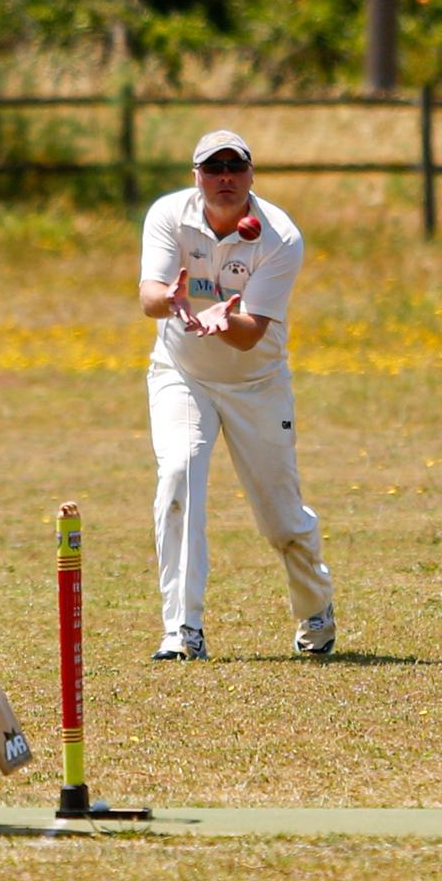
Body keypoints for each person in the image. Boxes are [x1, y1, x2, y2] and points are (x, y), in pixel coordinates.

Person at [137, 128, 336, 662]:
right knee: (179, 474)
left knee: (281, 516)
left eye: (235, 167)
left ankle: (315, 609)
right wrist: (171, 301)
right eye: (213, 167)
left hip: (257, 382)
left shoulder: (279, 236)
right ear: (195, 175)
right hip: (183, 373)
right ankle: (182, 630)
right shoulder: (168, 216)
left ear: (250, 174)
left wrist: (222, 319)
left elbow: (250, 336)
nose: (224, 177)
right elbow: (149, 296)